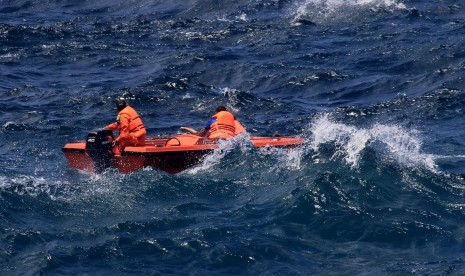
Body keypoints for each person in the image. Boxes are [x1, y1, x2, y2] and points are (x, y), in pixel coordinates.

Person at [180, 106, 246, 140]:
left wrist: (185, 128)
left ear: (217, 112)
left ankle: (183, 128)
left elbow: (199, 135)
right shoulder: (235, 121)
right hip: (230, 140)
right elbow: (243, 134)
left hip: (216, 139)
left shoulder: (213, 120)